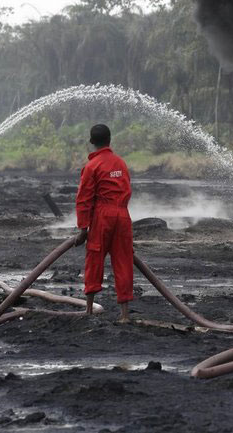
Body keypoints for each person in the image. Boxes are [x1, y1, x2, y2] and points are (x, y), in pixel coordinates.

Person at [74, 124, 134, 323]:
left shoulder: (92, 166)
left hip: (103, 217)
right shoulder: (121, 163)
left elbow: (84, 199)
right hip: (123, 216)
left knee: (94, 258)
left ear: (92, 142)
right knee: (124, 261)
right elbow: (127, 189)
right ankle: (124, 315)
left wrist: (83, 229)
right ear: (110, 140)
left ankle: (89, 310)